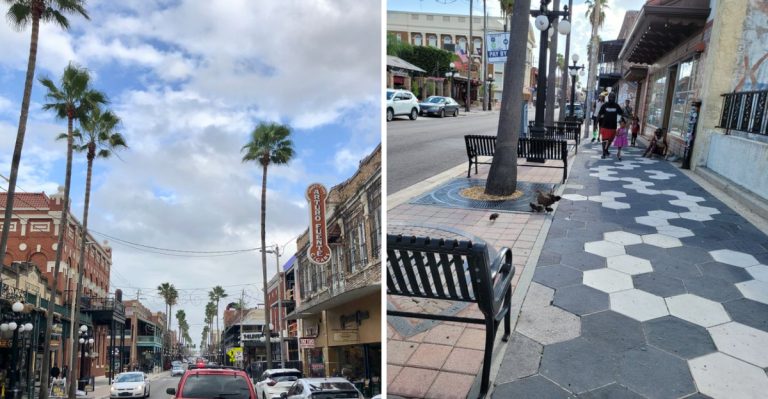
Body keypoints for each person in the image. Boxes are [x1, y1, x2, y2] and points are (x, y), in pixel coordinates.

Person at [597, 92, 624, 159]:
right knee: (604, 140)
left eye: (613, 97)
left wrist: (623, 122)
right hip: (605, 126)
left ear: (615, 98)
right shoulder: (604, 105)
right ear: (608, 98)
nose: (612, 98)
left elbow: (621, 113)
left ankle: (606, 150)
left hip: (613, 127)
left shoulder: (616, 106)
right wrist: (595, 124)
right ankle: (603, 153)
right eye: (611, 97)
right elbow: (599, 114)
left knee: (610, 141)